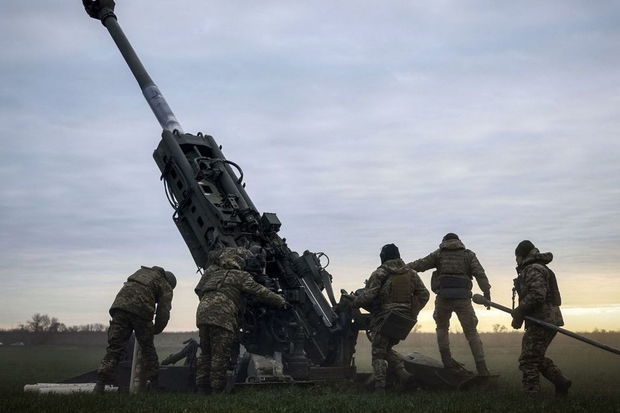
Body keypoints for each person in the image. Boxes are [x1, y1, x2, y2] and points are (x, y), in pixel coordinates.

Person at [194, 247, 287, 394]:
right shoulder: (240, 275)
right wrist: (280, 300)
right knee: (220, 355)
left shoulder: (213, 274)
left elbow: (199, 290)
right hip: (222, 316)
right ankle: (216, 391)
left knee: (206, 353)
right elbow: (260, 291)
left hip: (202, 315)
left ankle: (201, 389)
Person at [345, 243, 429, 394]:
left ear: (383, 257)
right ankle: (404, 375)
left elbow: (369, 296)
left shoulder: (380, 273)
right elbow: (424, 295)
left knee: (378, 353)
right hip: (405, 320)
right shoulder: (411, 273)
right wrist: (413, 312)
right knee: (386, 349)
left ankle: (380, 389)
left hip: (386, 318)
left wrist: (354, 301)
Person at [408, 233, 491, 375]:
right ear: (459, 241)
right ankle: (482, 367)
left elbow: (420, 264)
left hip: (443, 298)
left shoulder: (439, 254)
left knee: (442, 328)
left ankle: (447, 362)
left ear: (444, 241)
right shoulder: (468, 255)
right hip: (463, 299)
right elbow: (480, 274)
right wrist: (486, 292)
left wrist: (402, 267)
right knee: (471, 332)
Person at [94, 266, 176, 393]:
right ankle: (154, 386)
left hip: (120, 306)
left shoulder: (142, 272)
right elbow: (163, 312)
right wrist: (155, 329)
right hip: (141, 310)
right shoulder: (165, 284)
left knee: (114, 348)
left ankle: (100, 384)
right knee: (147, 349)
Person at [512, 240, 571, 396]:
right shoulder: (538, 267)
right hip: (546, 319)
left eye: (516, 257)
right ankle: (561, 382)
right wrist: (520, 315)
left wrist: (520, 310)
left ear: (521, 256)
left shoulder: (533, 268)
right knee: (536, 356)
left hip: (542, 320)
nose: (516, 261)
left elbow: (537, 295)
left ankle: (532, 395)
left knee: (528, 359)